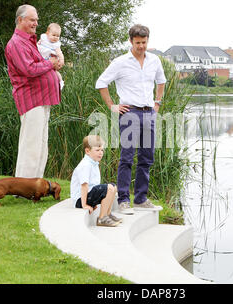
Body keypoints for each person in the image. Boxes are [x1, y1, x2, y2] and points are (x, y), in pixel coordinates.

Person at [95, 24, 166, 215]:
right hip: (129, 113)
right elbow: (101, 83)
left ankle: (141, 199)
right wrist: (112, 106)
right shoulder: (120, 62)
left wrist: (157, 103)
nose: (141, 46)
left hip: (149, 113)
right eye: (138, 43)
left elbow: (161, 81)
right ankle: (124, 200)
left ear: (148, 40)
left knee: (146, 158)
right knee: (126, 158)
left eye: (144, 42)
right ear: (131, 41)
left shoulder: (154, 60)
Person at [4, 5, 63, 179]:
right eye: (32, 19)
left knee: (41, 146)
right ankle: (22, 188)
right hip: (31, 99)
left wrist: (54, 63)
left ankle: (34, 186)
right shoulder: (16, 43)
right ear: (20, 20)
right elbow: (28, 69)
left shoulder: (30, 41)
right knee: (30, 146)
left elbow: (39, 65)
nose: (36, 23)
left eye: (36, 20)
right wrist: (51, 64)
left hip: (42, 99)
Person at [70, 135, 122, 227]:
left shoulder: (93, 162)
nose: (101, 153)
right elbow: (84, 186)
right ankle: (102, 219)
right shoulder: (85, 165)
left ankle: (107, 214)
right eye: (97, 150)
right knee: (109, 188)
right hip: (79, 200)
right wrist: (84, 205)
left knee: (113, 186)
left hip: (88, 195)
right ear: (87, 151)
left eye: (102, 150)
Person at [37, 23, 65, 90]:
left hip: (51, 58)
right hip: (41, 57)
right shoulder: (43, 38)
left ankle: (61, 82)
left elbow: (59, 53)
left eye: (58, 36)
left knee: (55, 72)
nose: (55, 37)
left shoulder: (56, 45)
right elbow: (38, 44)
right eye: (54, 35)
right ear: (47, 33)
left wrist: (62, 60)